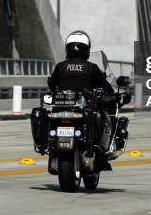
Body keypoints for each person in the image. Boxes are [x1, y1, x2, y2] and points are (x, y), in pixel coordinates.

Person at [48, 30, 114, 171]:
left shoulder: (60, 66)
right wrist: (112, 94)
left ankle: (52, 152)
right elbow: (107, 86)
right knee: (100, 116)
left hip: (61, 108)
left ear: (68, 48)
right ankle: (98, 152)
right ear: (86, 49)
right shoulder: (91, 67)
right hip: (83, 109)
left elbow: (51, 85)